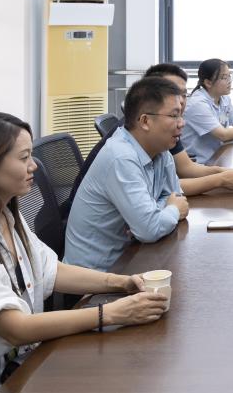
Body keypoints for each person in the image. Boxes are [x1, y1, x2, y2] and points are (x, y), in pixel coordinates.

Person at [0, 112, 167, 393]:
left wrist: (122, 282)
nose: (34, 165)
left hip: (0, 368)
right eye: (24, 157)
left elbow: (51, 270)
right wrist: (109, 313)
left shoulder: (5, 215)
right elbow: (15, 328)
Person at [65, 77, 190, 272]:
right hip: (96, 274)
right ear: (145, 121)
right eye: (174, 116)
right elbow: (151, 228)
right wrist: (169, 211)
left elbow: (175, 196)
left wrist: (153, 216)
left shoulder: (161, 150)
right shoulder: (121, 157)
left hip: (132, 256)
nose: (182, 123)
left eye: (181, 115)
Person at [145, 64, 233, 194]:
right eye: (173, 93)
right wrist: (220, 179)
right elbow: (163, 188)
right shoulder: (129, 149)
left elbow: (186, 168)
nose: (181, 101)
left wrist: (231, 173)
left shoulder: (170, 127)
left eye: (184, 94)